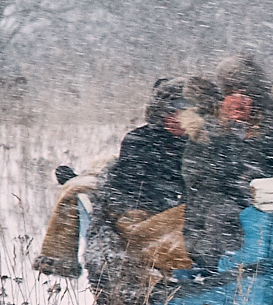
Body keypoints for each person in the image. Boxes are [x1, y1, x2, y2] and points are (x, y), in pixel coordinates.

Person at [35, 77, 198, 281]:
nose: (179, 118)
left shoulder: (199, 142)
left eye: (188, 111)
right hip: (143, 216)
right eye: (173, 111)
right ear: (161, 112)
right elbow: (139, 187)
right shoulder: (141, 141)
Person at [180, 55, 273, 273]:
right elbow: (202, 184)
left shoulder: (270, 135)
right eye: (231, 93)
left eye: (246, 94)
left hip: (268, 219)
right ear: (220, 99)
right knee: (223, 215)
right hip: (210, 231)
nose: (239, 100)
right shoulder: (204, 136)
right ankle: (231, 269)